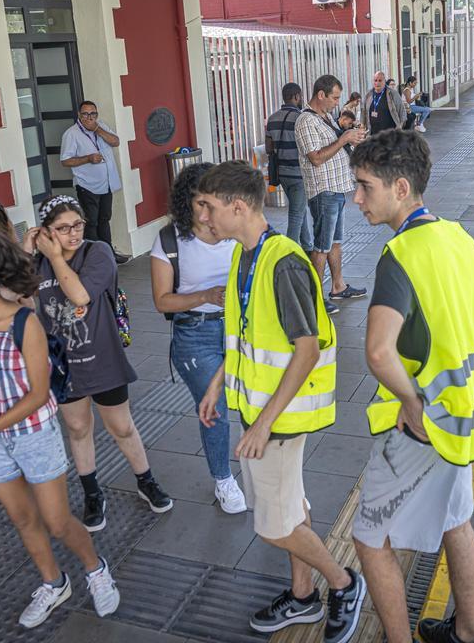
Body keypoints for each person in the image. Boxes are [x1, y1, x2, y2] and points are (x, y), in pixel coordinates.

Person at [194, 161, 367, 643]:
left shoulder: (283, 261)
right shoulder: (245, 255)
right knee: (289, 508)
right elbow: (246, 332)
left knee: (272, 525)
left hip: (279, 418)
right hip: (261, 411)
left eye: (209, 207)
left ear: (238, 206)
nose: (204, 217)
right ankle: (304, 595)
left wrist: (263, 425)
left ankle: (344, 583)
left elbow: (306, 348)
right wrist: (216, 385)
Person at [0, 232, 120, 629]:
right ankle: (54, 583)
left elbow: (37, 394)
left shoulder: (23, 322)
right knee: (23, 520)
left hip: (33, 434)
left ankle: (95, 568)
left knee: (57, 521)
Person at [349, 130, 474, 643]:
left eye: (364, 186)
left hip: (421, 423)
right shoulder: (459, 237)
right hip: (461, 414)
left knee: (369, 538)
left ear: (401, 188)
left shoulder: (400, 255)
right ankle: (469, 635)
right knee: (456, 522)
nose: (356, 198)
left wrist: (409, 400)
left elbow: (379, 352)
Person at [25, 196, 172, 531]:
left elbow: (79, 295)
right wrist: (26, 251)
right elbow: (17, 297)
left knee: (121, 426)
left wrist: (54, 257)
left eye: (77, 224)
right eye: (63, 228)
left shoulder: (98, 252)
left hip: (102, 357)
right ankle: (93, 493)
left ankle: (145, 480)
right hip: (63, 363)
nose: (74, 233)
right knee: (77, 428)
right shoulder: (37, 262)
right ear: (46, 232)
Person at [150, 163, 248, 514]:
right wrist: (204, 296)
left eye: (213, 202)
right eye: (199, 203)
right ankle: (223, 479)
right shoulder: (169, 241)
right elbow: (162, 300)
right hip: (195, 335)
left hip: (242, 329)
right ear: (185, 202)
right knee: (215, 408)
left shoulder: (236, 232)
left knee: (255, 401)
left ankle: (264, 473)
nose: (207, 213)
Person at [295, 75, 369, 315]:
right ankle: (314, 298)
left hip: (336, 187)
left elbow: (336, 146)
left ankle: (338, 286)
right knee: (321, 245)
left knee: (335, 242)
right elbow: (315, 157)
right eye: (335, 97)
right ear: (321, 95)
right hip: (323, 189)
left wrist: (352, 137)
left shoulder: (324, 117)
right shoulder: (306, 120)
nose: (338, 102)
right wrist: (344, 139)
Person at [59, 100, 127, 263]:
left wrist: (97, 129)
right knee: (91, 221)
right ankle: (94, 258)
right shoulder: (72, 134)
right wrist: (88, 159)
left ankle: (108, 253)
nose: (90, 117)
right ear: (79, 115)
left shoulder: (100, 125)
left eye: (93, 113)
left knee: (105, 218)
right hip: (87, 185)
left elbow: (115, 141)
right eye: (86, 114)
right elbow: (65, 161)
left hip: (107, 182)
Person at [264, 83, 314, 254]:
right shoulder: (302, 118)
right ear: (296, 97)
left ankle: (307, 246)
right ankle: (288, 253)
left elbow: (269, 149)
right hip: (299, 174)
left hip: (282, 173)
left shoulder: (272, 118)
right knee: (296, 214)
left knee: (299, 209)